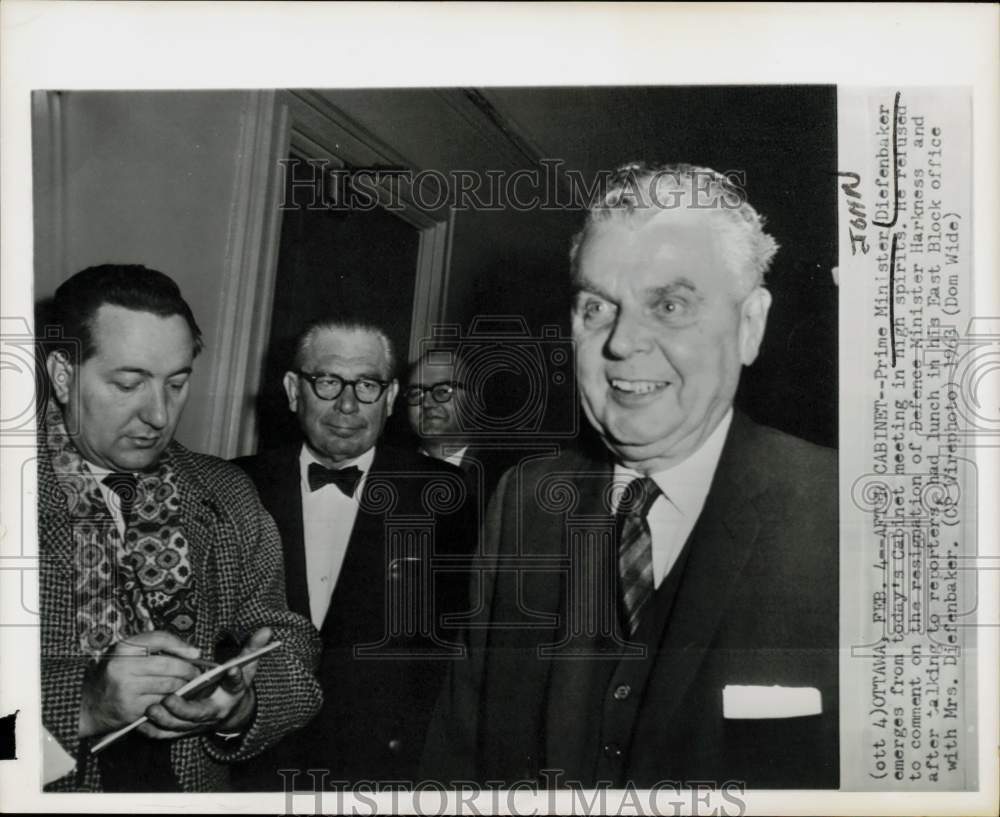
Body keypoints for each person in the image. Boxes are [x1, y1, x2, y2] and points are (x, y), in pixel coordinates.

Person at [423, 163, 839, 789]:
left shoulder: (849, 515)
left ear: (749, 325)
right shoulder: (523, 502)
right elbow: (458, 754)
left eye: (669, 305)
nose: (621, 343)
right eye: (597, 306)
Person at [38, 264, 322, 792]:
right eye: (129, 383)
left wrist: (243, 705)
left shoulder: (227, 493)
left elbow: (291, 645)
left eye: (177, 383)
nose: (159, 415)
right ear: (62, 374)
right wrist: (83, 705)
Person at [233, 318, 475, 788]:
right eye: (327, 381)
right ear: (292, 389)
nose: (347, 404)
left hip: (384, 774)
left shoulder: (449, 496)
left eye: (367, 384)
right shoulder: (233, 486)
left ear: (389, 398)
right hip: (250, 768)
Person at [404, 349, 517, 505]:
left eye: (443, 391)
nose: (428, 403)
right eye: (416, 393)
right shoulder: (386, 474)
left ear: (474, 402)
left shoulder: (508, 480)